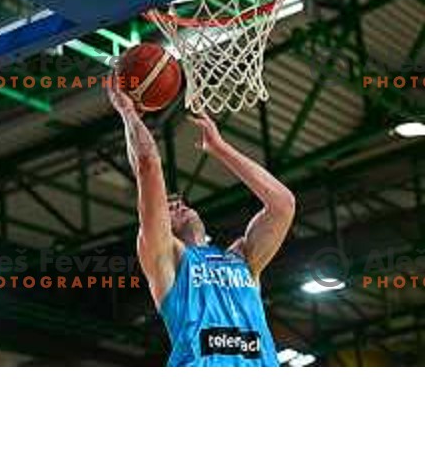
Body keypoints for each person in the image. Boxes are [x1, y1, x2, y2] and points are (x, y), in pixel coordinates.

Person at [107, 79, 295, 367]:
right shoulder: (168, 259)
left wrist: (219, 148)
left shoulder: (243, 257)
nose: (178, 205)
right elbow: (148, 164)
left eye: (179, 201)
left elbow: (283, 205)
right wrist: (128, 112)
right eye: (168, 207)